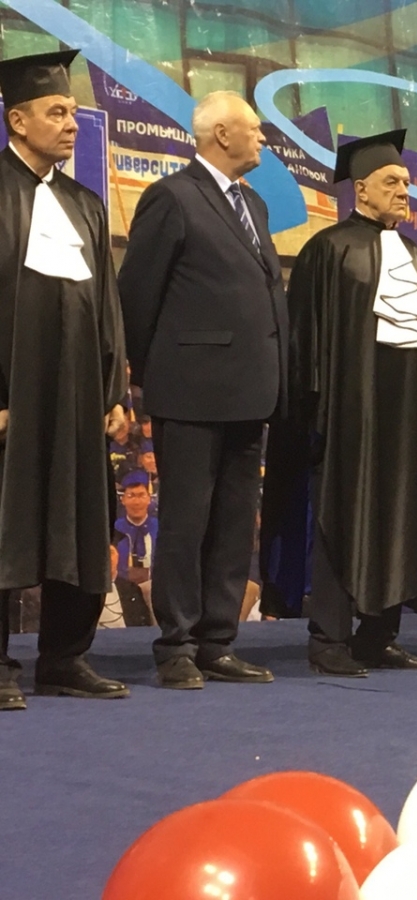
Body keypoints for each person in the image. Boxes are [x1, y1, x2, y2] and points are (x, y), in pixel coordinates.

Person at [119, 91, 285, 688]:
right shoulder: (172, 196)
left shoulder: (253, 203)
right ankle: (177, 646)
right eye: (254, 128)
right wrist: (151, 375)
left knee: (235, 524)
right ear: (221, 134)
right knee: (187, 524)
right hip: (190, 392)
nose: (263, 137)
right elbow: (137, 296)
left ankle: (218, 641)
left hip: (251, 392)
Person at [287, 129, 417, 676]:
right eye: (392, 182)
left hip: (409, 414)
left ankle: (379, 635)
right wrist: (315, 412)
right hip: (349, 412)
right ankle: (328, 640)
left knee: (401, 516)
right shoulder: (328, 248)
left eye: (406, 182)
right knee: (342, 515)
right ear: (361, 189)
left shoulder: (416, 255)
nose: (404, 191)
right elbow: (305, 339)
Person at [0, 50, 130, 709]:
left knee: (79, 519)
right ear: (18, 120)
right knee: (5, 523)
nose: (72, 123)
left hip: (78, 395)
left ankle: (63, 659)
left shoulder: (86, 205)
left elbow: (106, 305)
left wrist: (113, 392)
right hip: (12, 399)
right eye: (57, 112)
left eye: (74, 112)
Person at [114, 471, 157, 585]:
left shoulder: (160, 529)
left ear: (149, 499)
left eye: (141, 495)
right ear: (123, 500)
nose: (137, 502)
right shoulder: (114, 530)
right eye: (131, 496)